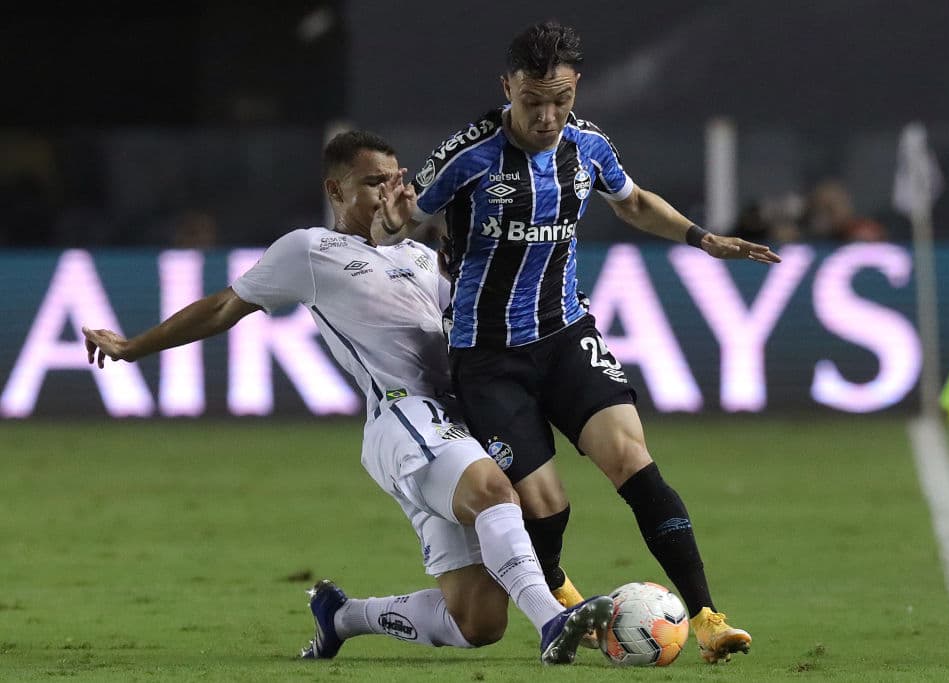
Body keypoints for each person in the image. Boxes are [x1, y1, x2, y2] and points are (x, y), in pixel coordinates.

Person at [81, 130, 613, 665]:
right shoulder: (310, 250)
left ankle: (342, 615)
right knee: (495, 493)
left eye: (395, 179)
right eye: (372, 183)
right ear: (335, 191)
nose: (389, 192)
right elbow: (223, 307)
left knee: (477, 621)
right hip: (405, 415)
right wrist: (133, 346)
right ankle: (551, 623)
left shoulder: (423, 257)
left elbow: (479, 332)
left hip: (458, 422)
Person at [375, 21, 780, 664]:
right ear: (507, 87)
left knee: (632, 459)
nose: (547, 116)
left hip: (566, 334)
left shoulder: (588, 145)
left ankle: (706, 617)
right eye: (534, 101)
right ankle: (566, 603)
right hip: (488, 357)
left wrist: (706, 238)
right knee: (544, 506)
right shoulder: (468, 153)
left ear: (576, 89)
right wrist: (390, 224)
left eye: (560, 100)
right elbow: (401, 217)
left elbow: (634, 201)